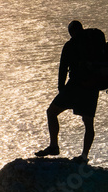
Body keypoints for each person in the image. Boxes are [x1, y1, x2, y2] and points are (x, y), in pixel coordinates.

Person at [35, 20, 100, 163]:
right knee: (88, 123)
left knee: (51, 112)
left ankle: (54, 146)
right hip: (92, 87)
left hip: (75, 86)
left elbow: (63, 68)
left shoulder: (70, 45)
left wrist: (61, 88)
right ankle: (84, 156)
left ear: (72, 32)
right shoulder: (94, 43)